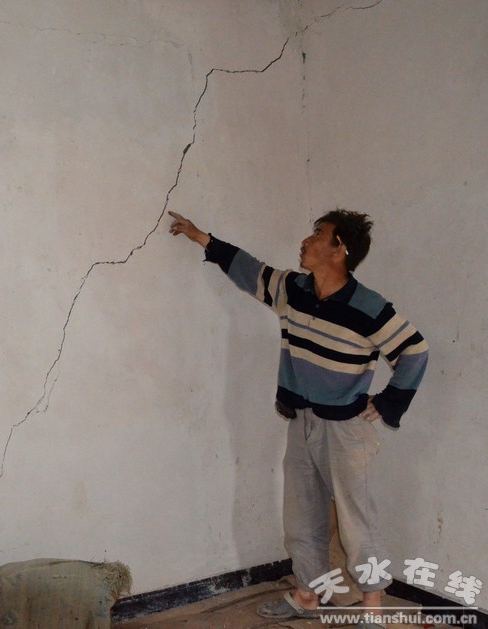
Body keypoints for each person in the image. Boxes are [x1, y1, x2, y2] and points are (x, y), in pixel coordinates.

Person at [167, 209, 428, 628]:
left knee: (357, 521)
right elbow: (249, 269)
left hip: (347, 430)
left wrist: (388, 402)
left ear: (340, 249)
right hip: (301, 420)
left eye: (318, 234)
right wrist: (202, 238)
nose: (306, 241)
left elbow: (414, 350)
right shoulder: (293, 289)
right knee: (301, 516)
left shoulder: (368, 306)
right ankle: (308, 595)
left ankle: (373, 608)